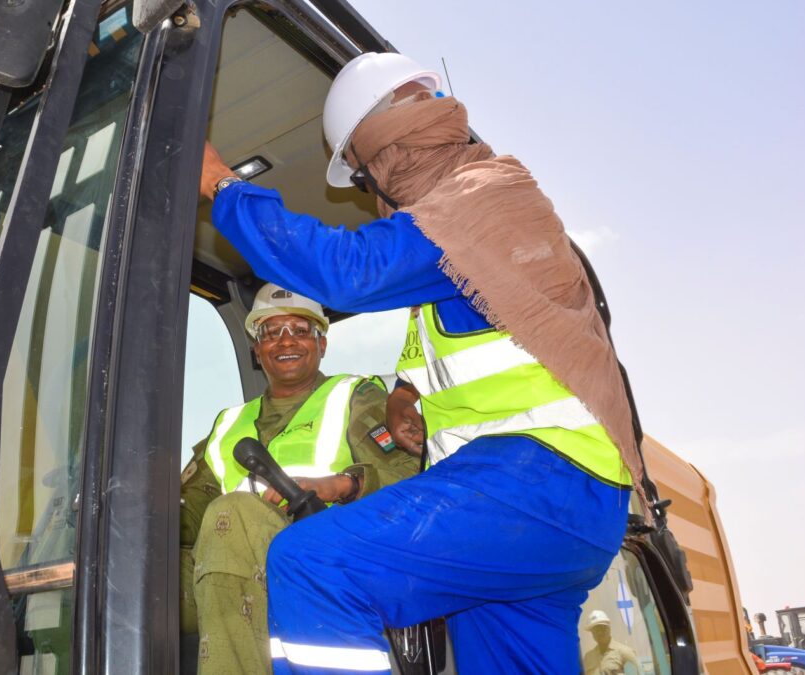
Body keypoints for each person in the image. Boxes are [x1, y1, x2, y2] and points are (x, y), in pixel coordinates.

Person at [198, 52, 644, 674]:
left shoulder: (481, 194)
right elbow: (482, 347)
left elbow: (346, 272)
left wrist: (222, 184)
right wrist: (409, 394)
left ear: (379, 156)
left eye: (358, 176)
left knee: (314, 562)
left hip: (540, 479)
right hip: (551, 503)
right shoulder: (462, 238)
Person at [179, 282, 417, 675]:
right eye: (271, 331)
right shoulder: (227, 425)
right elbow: (187, 514)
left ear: (322, 344)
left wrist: (342, 485)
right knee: (129, 569)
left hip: (317, 559)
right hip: (229, 560)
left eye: (301, 329)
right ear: (257, 349)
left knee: (234, 511)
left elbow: (404, 479)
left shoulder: (354, 397)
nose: (285, 340)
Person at [582, 611, 640, 675]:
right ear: (592, 633)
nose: (599, 632)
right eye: (595, 630)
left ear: (609, 629)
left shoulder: (625, 652)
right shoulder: (588, 657)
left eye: (602, 628)